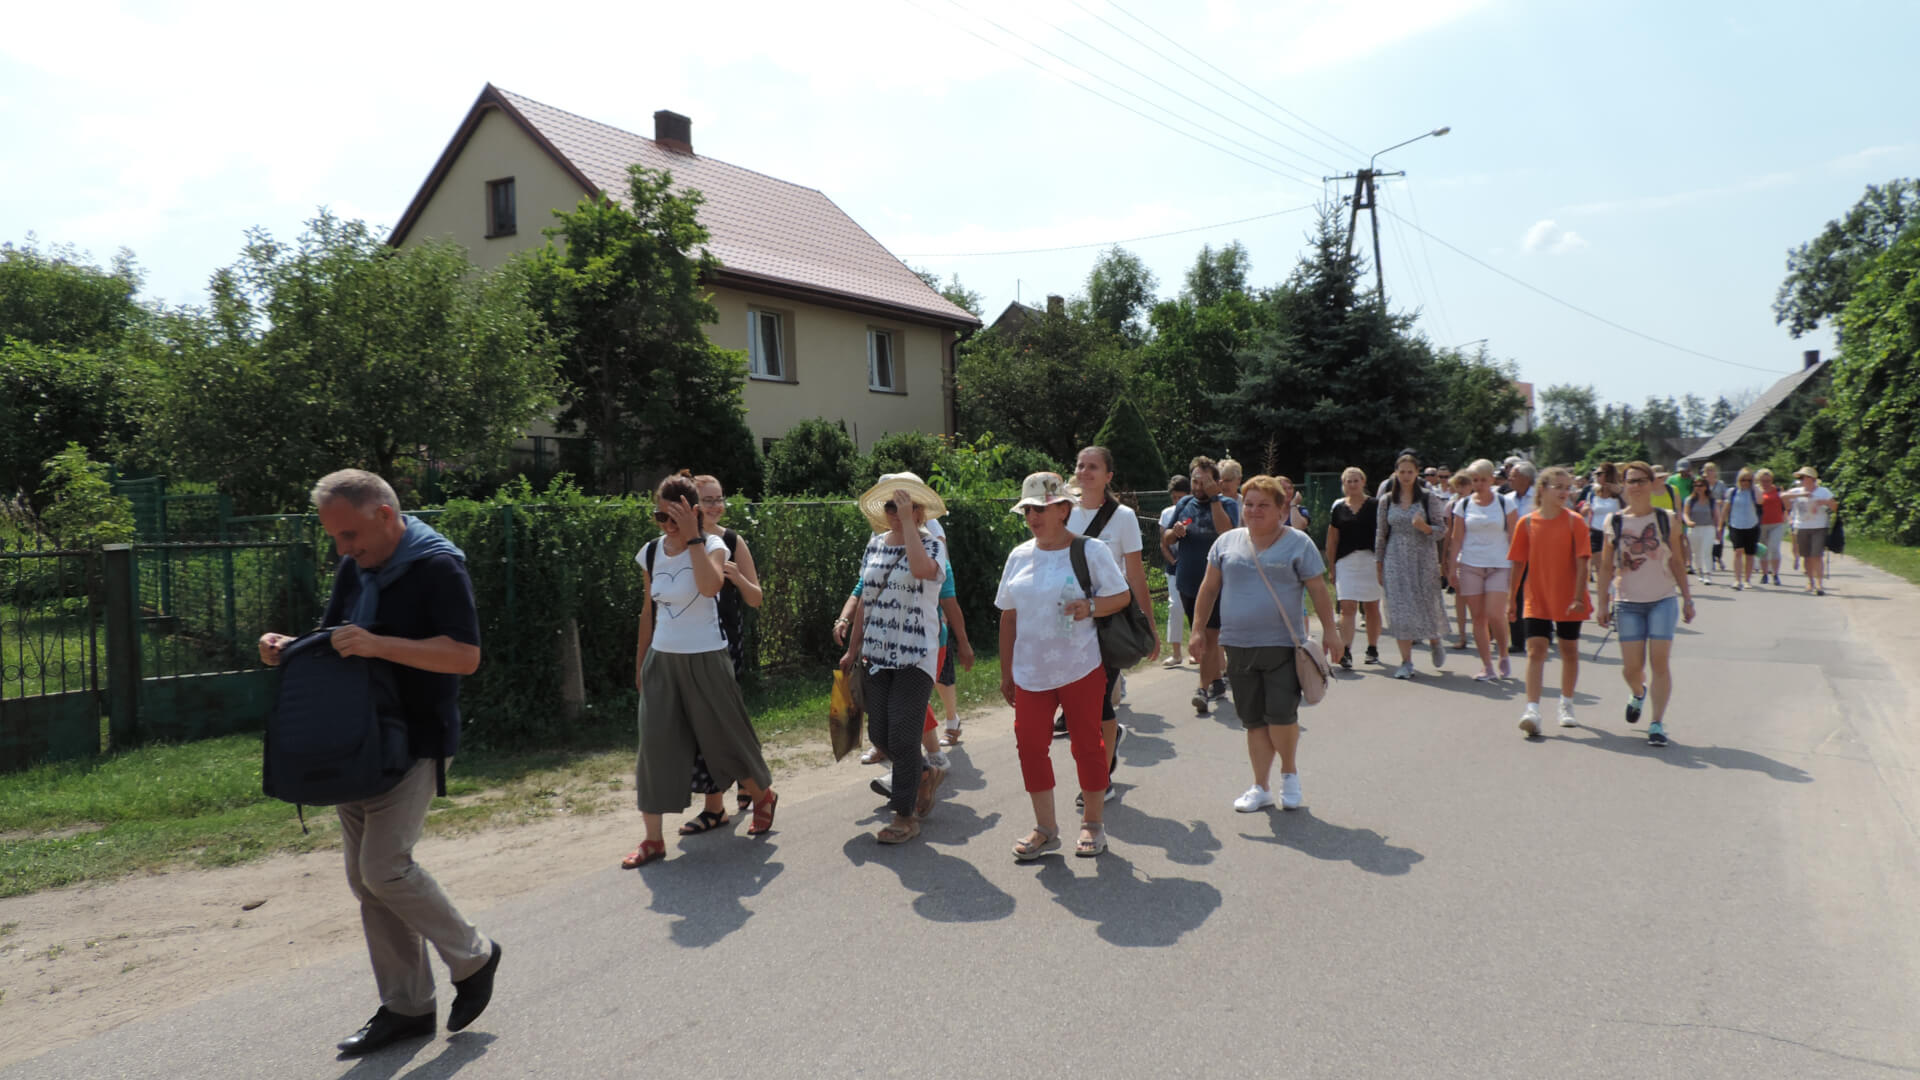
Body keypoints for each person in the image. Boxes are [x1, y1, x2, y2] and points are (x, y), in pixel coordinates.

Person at [258, 469, 500, 1056]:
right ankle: (407, 1007)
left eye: (349, 535)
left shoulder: (438, 566)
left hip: (414, 740)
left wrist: (376, 644)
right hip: (355, 739)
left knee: (385, 868)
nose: (342, 549)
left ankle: (474, 956)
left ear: (385, 515)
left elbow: (465, 656)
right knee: (366, 883)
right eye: (336, 538)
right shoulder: (356, 567)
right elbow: (337, 641)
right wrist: (288, 648)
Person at [627, 474, 778, 867]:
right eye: (662, 516)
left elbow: (711, 588)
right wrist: (642, 662)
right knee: (654, 747)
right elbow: (649, 611)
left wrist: (694, 537)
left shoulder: (713, 545)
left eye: (676, 516)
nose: (668, 525)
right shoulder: (650, 553)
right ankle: (653, 840)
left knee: (725, 739)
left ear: (692, 513)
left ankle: (762, 796)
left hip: (707, 656)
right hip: (663, 658)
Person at [998, 472, 1132, 859]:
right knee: (1030, 747)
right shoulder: (1019, 555)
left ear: (1063, 509)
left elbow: (1120, 597)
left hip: (1080, 667)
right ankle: (1046, 829)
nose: (1033, 517)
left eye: (1041, 509)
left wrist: (1090, 607)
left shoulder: (1090, 551)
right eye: (1028, 510)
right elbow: (1008, 616)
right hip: (1030, 672)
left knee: (1088, 746)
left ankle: (1093, 824)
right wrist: (1006, 672)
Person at [1190, 476, 1341, 812]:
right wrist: (1198, 629)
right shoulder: (1227, 543)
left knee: (1281, 716)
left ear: (1280, 509)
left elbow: (1317, 589)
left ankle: (1290, 775)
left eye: (1263, 505)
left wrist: (1331, 630)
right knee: (1253, 719)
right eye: (1249, 504)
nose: (1254, 511)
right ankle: (1260, 787)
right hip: (1237, 645)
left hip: (1283, 646)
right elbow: (1209, 588)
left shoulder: (1297, 543)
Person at [838, 473, 951, 843]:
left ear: (919, 513)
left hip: (915, 656)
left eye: (904, 506)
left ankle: (904, 817)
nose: (895, 512)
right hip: (876, 654)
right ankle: (922, 773)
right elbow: (867, 601)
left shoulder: (932, 546)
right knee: (879, 734)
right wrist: (853, 649)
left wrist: (909, 529)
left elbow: (920, 570)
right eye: (890, 505)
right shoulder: (874, 546)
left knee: (903, 735)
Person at [1067, 447, 1158, 801]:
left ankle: (1099, 779)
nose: (1085, 472)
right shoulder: (1062, 511)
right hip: (1069, 621)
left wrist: (1147, 625)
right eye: (1080, 465)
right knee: (1075, 704)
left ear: (1108, 476)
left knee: (1098, 700)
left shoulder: (1122, 517)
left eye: (1093, 467)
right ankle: (1109, 740)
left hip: (1107, 620)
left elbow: (1134, 575)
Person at [682, 474, 764, 831]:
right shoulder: (678, 542)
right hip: (686, 643)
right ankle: (748, 779)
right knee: (717, 722)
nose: (716, 506)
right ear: (693, 506)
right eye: (708, 499)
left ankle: (715, 807)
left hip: (723, 642)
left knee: (713, 723)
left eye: (719, 499)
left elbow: (756, 598)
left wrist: (736, 577)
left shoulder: (731, 540)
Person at [1596, 461, 1695, 747]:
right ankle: (1638, 692)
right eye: (1631, 481)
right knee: (1631, 668)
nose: (1636, 486)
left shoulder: (1667, 519)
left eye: (1642, 480)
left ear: (1652, 484)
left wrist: (1687, 598)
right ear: (1624, 486)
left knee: (1659, 661)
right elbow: (1604, 567)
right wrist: (1601, 602)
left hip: (1662, 599)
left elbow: (1677, 561)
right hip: (1627, 602)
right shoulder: (1614, 522)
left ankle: (1656, 722)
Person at [1504, 466, 1592, 735]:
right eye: (1559, 487)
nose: (1565, 492)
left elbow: (1582, 563)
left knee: (1569, 651)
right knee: (1536, 650)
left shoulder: (1574, 521)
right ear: (1543, 489)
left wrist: (1578, 597)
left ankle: (1566, 704)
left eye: (1568, 488)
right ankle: (1532, 709)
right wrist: (1511, 600)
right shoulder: (1527, 523)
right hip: (1537, 596)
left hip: (1568, 597)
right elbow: (1518, 564)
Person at [1161, 456, 1241, 714]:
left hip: (1217, 585)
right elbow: (1168, 536)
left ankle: (1201, 689)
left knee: (1208, 636)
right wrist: (1175, 532)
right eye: (1195, 480)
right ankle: (1217, 680)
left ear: (1216, 482)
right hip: (1187, 581)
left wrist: (1214, 498)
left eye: (1204, 481)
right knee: (1203, 637)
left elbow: (1225, 532)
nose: (1198, 486)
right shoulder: (1184, 503)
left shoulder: (1227, 504)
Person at [1376, 451, 1450, 679]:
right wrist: (1378, 563)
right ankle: (1406, 661)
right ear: (1396, 473)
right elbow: (1381, 533)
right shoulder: (1386, 500)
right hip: (1395, 557)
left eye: (1410, 471)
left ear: (1417, 473)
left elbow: (1441, 531)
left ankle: (1435, 639)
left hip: (1422, 558)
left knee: (1425, 604)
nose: (1406, 476)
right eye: (1402, 471)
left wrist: (1425, 527)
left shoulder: (1429, 498)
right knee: (1399, 609)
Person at [1447, 459, 1518, 681]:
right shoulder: (1464, 505)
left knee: (1495, 614)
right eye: (1474, 480)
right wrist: (1451, 567)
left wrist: (1518, 566)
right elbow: (1456, 538)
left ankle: (1503, 655)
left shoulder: (1506, 503)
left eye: (1483, 480)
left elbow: (1514, 537)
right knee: (1478, 617)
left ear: (1492, 480)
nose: (1478, 484)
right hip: (1470, 564)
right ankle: (1487, 665)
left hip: (1499, 564)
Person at [1324, 466, 1383, 669]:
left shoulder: (1376, 505)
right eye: (1348, 481)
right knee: (1347, 606)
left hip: (1370, 561)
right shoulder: (1338, 507)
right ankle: (1346, 650)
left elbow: (1383, 536)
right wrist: (1331, 566)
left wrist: (1382, 565)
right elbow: (1332, 539)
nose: (1352, 484)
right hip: (1346, 562)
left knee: (1371, 606)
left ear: (1363, 482)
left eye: (1355, 480)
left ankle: (1372, 647)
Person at [1783, 466, 1839, 595]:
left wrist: (1824, 502)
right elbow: (1783, 497)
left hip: (1819, 526)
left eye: (1804, 477)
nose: (1802, 480)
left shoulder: (1823, 491)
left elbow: (1835, 506)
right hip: (1801, 526)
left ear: (1811, 479)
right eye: (1801, 478)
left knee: (1817, 556)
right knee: (1806, 557)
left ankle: (1819, 584)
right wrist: (1802, 494)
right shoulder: (1797, 491)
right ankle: (1810, 581)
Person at [1501, 462, 1538, 655]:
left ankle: (1540, 633)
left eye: (1514, 475)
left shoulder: (1539, 498)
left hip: (1537, 553)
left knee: (1536, 594)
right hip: (1513, 553)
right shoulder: (1506, 499)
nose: (1510, 479)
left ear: (1526, 478)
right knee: (1515, 593)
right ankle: (1517, 640)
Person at [1157, 474, 1192, 668]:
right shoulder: (1166, 513)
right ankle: (1176, 653)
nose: (1178, 501)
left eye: (1181, 497)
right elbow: (1164, 543)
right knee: (1175, 607)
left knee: (1196, 609)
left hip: (1194, 567)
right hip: (1174, 568)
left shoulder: (1194, 511)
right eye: (1174, 497)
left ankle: (1198, 651)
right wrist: (1175, 562)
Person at [1443, 472, 1474, 647]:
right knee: (1460, 595)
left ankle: (1486, 631)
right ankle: (1462, 636)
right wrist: (1446, 557)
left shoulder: (1481, 504)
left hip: (1477, 554)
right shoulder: (1452, 505)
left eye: (1465, 484)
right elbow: (1449, 532)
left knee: (1479, 598)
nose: (1462, 488)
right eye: (1459, 485)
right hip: (1459, 553)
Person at [1722, 468, 1763, 590]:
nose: (1746, 482)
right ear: (1739, 479)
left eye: (1749, 479)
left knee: (1750, 554)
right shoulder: (1733, 492)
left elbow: (1760, 501)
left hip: (1751, 525)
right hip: (1736, 524)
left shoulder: (1754, 491)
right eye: (1743, 479)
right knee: (1738, 551)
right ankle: (1737, 579)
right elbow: (1726, 508)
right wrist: (1720, 525)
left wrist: (1754, 486)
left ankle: (1747, 580)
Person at [1755, 468, 1788, 585]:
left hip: (1776, 523)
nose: (1766, 483)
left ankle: (1775, 574)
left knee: (1774, 547)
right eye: (1763, 480)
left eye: (1768, 480)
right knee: (1763, 550)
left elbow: (1785, 505)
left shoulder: (1778, 490)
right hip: (1761, 524)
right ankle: (1764, 574)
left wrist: (1786, 515)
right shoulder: (1756, 491)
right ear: (1759, 480)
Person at [1683, 480, 1719, 585]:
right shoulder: (1690, 500)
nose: (1698, 487)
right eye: (1696, 485)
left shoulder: (1711, 500)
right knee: (1696, 552)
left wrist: (1718, 530)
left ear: (1706, 487)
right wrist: (1688, 521)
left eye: (1701, 485)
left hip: (1708, 528)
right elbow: (1685, 513)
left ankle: (1707, 574)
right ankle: (1700, 571)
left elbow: (1716, 516)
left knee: (1706, 551)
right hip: (1694, 528)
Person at [1701, 462, 1730, 571]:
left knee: (1719, 538)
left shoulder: (1721, 484)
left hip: (1719, 514)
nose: (1709, 472)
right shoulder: (1702, 484)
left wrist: (1720, 501)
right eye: (1707, 470)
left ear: (1715, 472)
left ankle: (1718, 557)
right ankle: (1711, 559)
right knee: (1708, 538)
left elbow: (1726, 498)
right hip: (1706, 515)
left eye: (1711, 470)